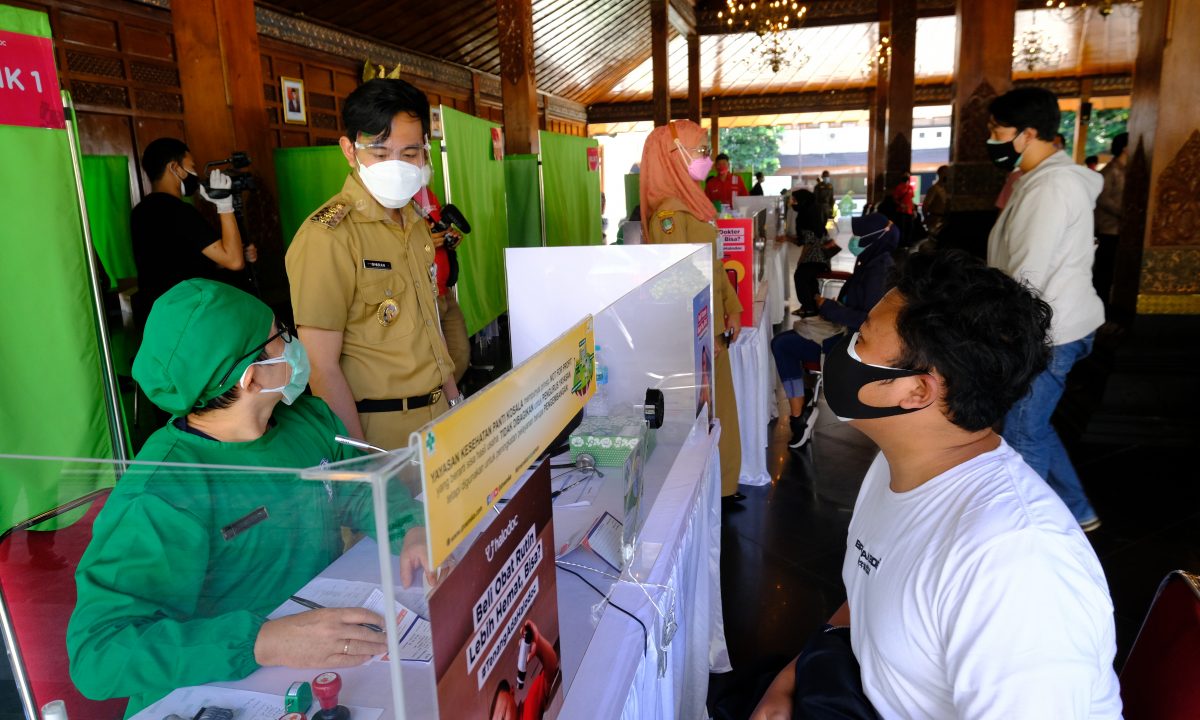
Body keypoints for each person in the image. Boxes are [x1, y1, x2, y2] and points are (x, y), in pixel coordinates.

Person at [752, 251, 1122, 720]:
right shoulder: (899, 465)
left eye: (861, 338)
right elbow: (875, 594)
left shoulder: (1015, 568)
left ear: (916, 391)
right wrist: (792, 678)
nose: (844, 347)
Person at [67, 280, 430, 717]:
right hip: (219, 687)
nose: (293, 343)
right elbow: (98, 655)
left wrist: (409, 528)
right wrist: (264, 641)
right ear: (251, 376)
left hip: (324, 658)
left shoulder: (306, 421)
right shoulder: (163, 494)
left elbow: (360, 486)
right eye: (280, 335)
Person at [286, 78, 461, 452]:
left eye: (411, 153)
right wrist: (362, 459)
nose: (397, 166)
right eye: (380, 154)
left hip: (439, 419)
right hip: (379, 433)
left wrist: (455, 401)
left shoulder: (415, 222)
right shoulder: (328, 237)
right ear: (349, 150)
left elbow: (430, 328)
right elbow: (321, 367)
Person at [985, 87, 1105, 530]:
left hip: (1048, 330)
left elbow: (1028, 273)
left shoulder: (1052, 186)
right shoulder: (1040, 179)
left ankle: (1029, 532)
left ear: (1028, 133)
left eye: (998, 130)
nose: (993, 139)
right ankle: (1078, 509)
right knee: (1033, 422)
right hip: (1053, 322)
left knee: (1021, 431)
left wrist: (1003, 334)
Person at [641, 120, 744, 501]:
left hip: (714, 329)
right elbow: (678, 287)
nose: (705, 159)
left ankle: (725, 485)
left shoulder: (693, 205)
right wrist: (704, 336)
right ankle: (712, 491)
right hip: (699, 337)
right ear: (673, 157)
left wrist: (732, 308)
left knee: (722, 410)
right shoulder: (669, 216)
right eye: (699, 151)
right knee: (706, 415)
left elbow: (714, 267)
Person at [770, 213, 898, 448]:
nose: (855, 241)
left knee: (782, 344)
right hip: (845, 331)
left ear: (875, 238)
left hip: (852, 342)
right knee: (788, 340)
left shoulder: (879, 272)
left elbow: (868, 321)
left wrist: (829, 308)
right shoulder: (873, 261)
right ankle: (802, 401)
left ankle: (798, 416)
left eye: (860, 236)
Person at [131, 137, 256, 328]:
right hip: (191, 316)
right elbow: (234, 261)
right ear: (175, 168)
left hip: (158, 318)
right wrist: (224, 205)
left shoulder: (140, 212)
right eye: (192, 166)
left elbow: (175, 261)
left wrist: (236, 252)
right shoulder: (178, 210)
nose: (195, 173)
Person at [415, 186, 471, 387]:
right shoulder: (393, 199)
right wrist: (424, 242)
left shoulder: (427, 193)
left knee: (460, 355)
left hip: (444, 291)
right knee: (429, 361)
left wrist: (448, 236)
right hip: (423, 294)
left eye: (418, 154)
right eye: (410, 153)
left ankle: (447, 406)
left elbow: (436, 229)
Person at [488, 620, 559, 720]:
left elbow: (551, 667)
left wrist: (538, 643)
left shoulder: (527, 711)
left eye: (503, 718)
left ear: (512, 692)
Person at [788, 189, 838, 318]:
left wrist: (801, 259)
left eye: (795, 200)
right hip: (822, 256)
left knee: (800, 275)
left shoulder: (806, 215)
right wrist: (787, 238)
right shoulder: (814, 210)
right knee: (809, 277)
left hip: (816, 257)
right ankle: (813, 306)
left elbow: (809, 242)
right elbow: (804, 240)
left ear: (803, 201)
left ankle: (808, 307)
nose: (792, 203)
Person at [1093, 132, 1128, 308]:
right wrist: (1124, 212)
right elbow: (1103, 198)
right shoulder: (1110, 171)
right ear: (1125, 147)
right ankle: (1101, 307)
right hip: (1109, 228)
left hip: (1122, 229)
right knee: (1104, 273)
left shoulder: (1126, 169)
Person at [920, 165, 950, 239]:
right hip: (935, 219)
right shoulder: (934, 189)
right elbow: (925, 206)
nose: (948, 175)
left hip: (944, 220)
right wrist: (927, 218)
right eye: (945, 172)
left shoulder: (947, 189)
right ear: (940, 174)